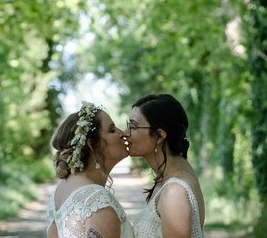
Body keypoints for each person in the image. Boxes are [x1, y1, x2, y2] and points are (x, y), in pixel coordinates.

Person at [47, 101, 134, 238]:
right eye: (112, 130)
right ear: (92, 145)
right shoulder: (96, 201)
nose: (122, 133)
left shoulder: (60, 191)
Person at [126, 94, 205, 238]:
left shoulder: (175, 191)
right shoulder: (172, 177)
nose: (126, 134)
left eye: (133, 126)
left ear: (160, 136)